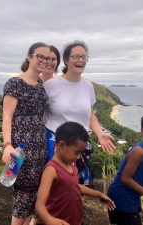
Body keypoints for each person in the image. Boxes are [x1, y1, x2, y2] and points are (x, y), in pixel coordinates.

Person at [44, 40, 116, 187]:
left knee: (75, 185)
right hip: (56, 145)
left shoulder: (88, 86)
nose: (80, 60)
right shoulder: (51, 85)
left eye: (84, 57)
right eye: (76, 56)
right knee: (56, 184)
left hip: (79, 145)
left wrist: (100, 134)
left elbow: (90, 114)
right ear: (66, 60)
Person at [2, 42, 55, 225]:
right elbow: (7, 117)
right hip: (20, 148)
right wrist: (7, 146)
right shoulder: (15, 83)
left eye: (47, 58)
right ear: (29, 57)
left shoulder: (41, 85)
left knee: (35, 193)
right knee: (22, 194)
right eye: (40, 56)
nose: (44, 60)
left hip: (39, 146)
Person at [36, 121, 116, 225]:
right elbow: (39, 205)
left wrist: (99, 194)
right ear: (61, 145)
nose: (78, 157)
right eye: (76, 153)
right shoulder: (51, 169)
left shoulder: (72, 166)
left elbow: (74, 186)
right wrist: (49, 220)